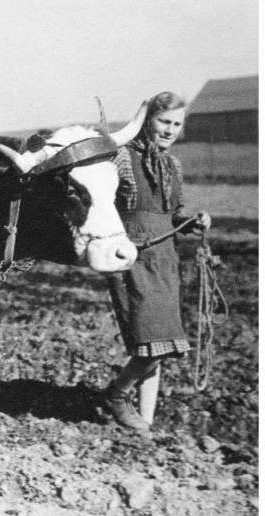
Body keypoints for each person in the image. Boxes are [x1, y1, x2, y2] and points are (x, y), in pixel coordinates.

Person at [105, 92, 211, 431]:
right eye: (164, 121)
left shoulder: (173, 166)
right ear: (147, 119)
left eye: (177, 124)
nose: (170, 130)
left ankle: (145, 423)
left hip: (165, 258)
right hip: (132, 255)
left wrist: (195, 221)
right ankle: (118, 395)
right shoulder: (120, 158)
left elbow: (175, 213)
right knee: (153, 340)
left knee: (160, 344)